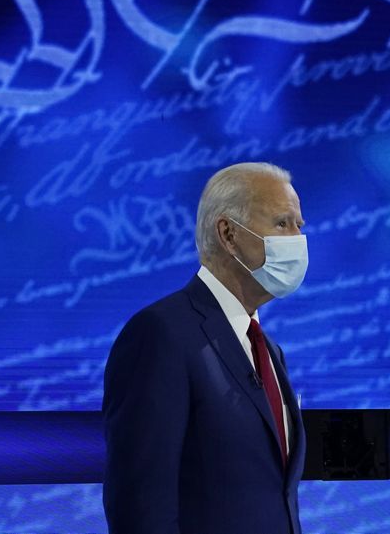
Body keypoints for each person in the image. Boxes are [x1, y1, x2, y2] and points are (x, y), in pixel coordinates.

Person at [102, 161, 308, 534]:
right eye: (282, 223)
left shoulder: (271, 352)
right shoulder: (160, 335)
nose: (297, 238)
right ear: (228, 235)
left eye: (299, 225)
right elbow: (140, 507)